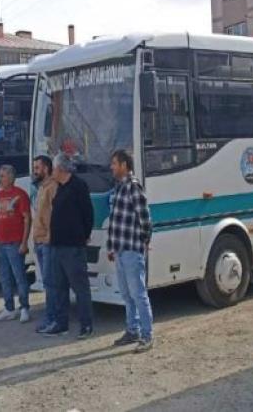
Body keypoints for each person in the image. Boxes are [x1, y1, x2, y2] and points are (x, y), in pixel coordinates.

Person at [107, 150, 155, 353]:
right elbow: (115, 221)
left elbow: (145, 219)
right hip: (119, 249)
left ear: (125, 165)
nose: (112, 167)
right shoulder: (119, 188)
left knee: (138, 294)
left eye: (115, 163)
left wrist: (144, 241)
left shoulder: (133, 187)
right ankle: (132, 330)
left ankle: (147, 335)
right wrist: (111, 247)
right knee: (126, 294)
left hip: (131, 250)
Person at [44, 153, 94, 339]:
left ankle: (86, 325)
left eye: (54, 168)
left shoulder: (78, 186)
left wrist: (84, 236)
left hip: (73, 247)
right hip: (57, 245)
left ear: (61, 169)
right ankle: (61, 323)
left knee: (80, 287)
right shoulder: (59, 187)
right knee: (59, 287)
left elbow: (87, 214)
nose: (51, 172)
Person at [0, 165, 32, 323]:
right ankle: (9, 308)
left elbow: (27, 219)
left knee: (19, 277)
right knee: (4, 277)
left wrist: (24, 242)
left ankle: (24, 308)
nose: (0, 179)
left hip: (15, 243)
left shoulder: (20, 195)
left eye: (2, 176)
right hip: (1, 243)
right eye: (0, 176)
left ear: (11, 177)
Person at [30, 155, 58, 333]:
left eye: (37, 168)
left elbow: (55, 215)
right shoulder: (40, 188)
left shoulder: (52, 187)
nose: (34, 171)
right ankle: (50, 317)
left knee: (50, 282)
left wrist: (49, 236)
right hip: (38, 241)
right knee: (47, 282)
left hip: (48, 242)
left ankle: (53, 318)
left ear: (46, 169)